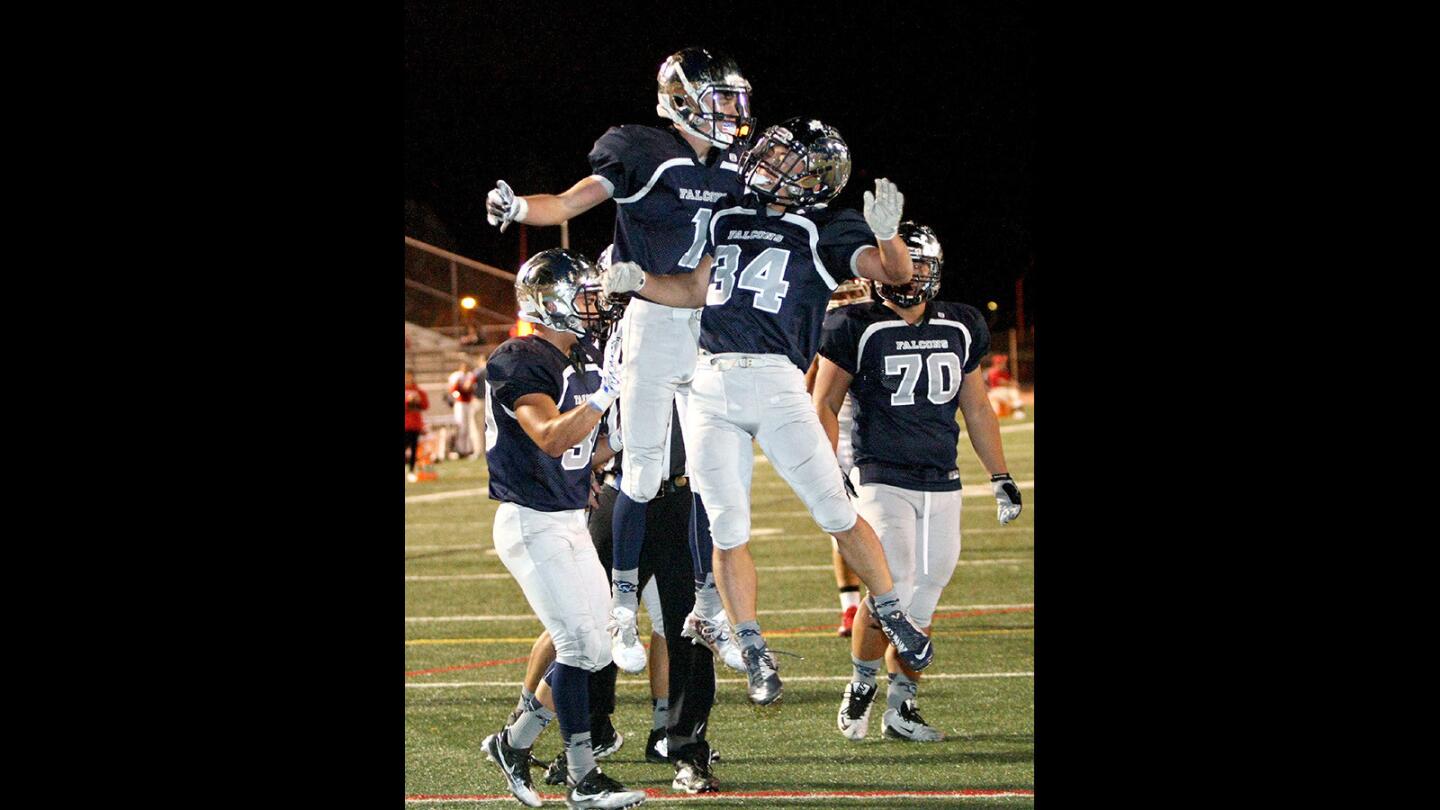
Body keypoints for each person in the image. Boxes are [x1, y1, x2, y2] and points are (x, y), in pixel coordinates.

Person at [599, 117, 935, 707]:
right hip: (707, 382)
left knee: (835, 509)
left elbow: (897, 274)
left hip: (779, 381)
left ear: (816, 177)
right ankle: (752, 646)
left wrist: (888, 237)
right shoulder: (729, 214)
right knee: (727, 524)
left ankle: (892, 612)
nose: (772, 161)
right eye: (774, 151)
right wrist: (641, 282)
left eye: (789, 157)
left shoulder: (825, 227)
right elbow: (693, 291)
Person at [484, 48, 754, 679]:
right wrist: (522, 208)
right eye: (721, 99)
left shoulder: (733, 169)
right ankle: (622, 606)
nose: (732, 112)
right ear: (682, 99)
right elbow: (573, 202)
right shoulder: (641, 150)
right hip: (650, 314)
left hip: (701, 315)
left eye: (735, 99)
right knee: (642, 471)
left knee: (718, 474)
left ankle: (714, 608)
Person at [812, 222, 1023, 743]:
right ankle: (860, 683)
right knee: (896, 584)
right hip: (881, 473)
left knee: (927, 592)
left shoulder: (961, 323)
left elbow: (976, 406)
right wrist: (827, 470)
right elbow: (825, 402)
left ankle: (901, 708)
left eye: (922, 266)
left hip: (943, 478)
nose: (912, 277)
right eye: (907, 265)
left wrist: (1000, 475)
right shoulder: (854, 323)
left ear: (936, 270)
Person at [475, 248, 645, 809]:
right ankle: (582, 777)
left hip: (569, 515)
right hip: (531, 521)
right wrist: (602, 397)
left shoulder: (585, 353)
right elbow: (549, 435)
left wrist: (619, 444)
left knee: (596, 649)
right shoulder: (519, 357)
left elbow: (582, 453)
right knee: (576, 645)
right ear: (550, 303)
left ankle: (515, 742)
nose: (592, 307)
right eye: (583, 296)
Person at [804, 278, 872, 637]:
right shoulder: (821, 334)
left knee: (880, 524)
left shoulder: (877, 330)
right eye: (839, 297)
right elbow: (806, 390)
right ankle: (849, 608)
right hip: (839, 436)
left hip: (875, 439)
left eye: (850, 296)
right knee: (840, 526)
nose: (845, 304)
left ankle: (883, 600)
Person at [448, 360, 480, 458]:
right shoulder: (457, 376)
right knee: (462, 426)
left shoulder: (471, 376)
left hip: (469, 402)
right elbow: (453, 390)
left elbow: (475, 387)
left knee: (470, 426)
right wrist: (461, 387)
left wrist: (469, 387)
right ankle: (461, 449)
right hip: (460, 403)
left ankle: (468, 448)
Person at [405, 369, 429, 483]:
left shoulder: (418, 390)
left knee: (414, 448)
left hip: (414, 423)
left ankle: (411, 470)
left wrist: (418, 401)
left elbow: (425, 405)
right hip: (406, 423)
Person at [986, 353, 1027, 419]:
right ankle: (1018, 410)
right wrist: (1012, 384)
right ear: (998, 363)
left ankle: (1017, 410)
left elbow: (1011, 381)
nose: (1004, 363)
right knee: (1013, 392)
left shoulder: (1004, 372)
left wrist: (1013, 383)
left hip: (1003, 392)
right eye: (1002, 362)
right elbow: (1001, 382)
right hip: (996, 391)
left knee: (1013, 392)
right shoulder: (993, 371)